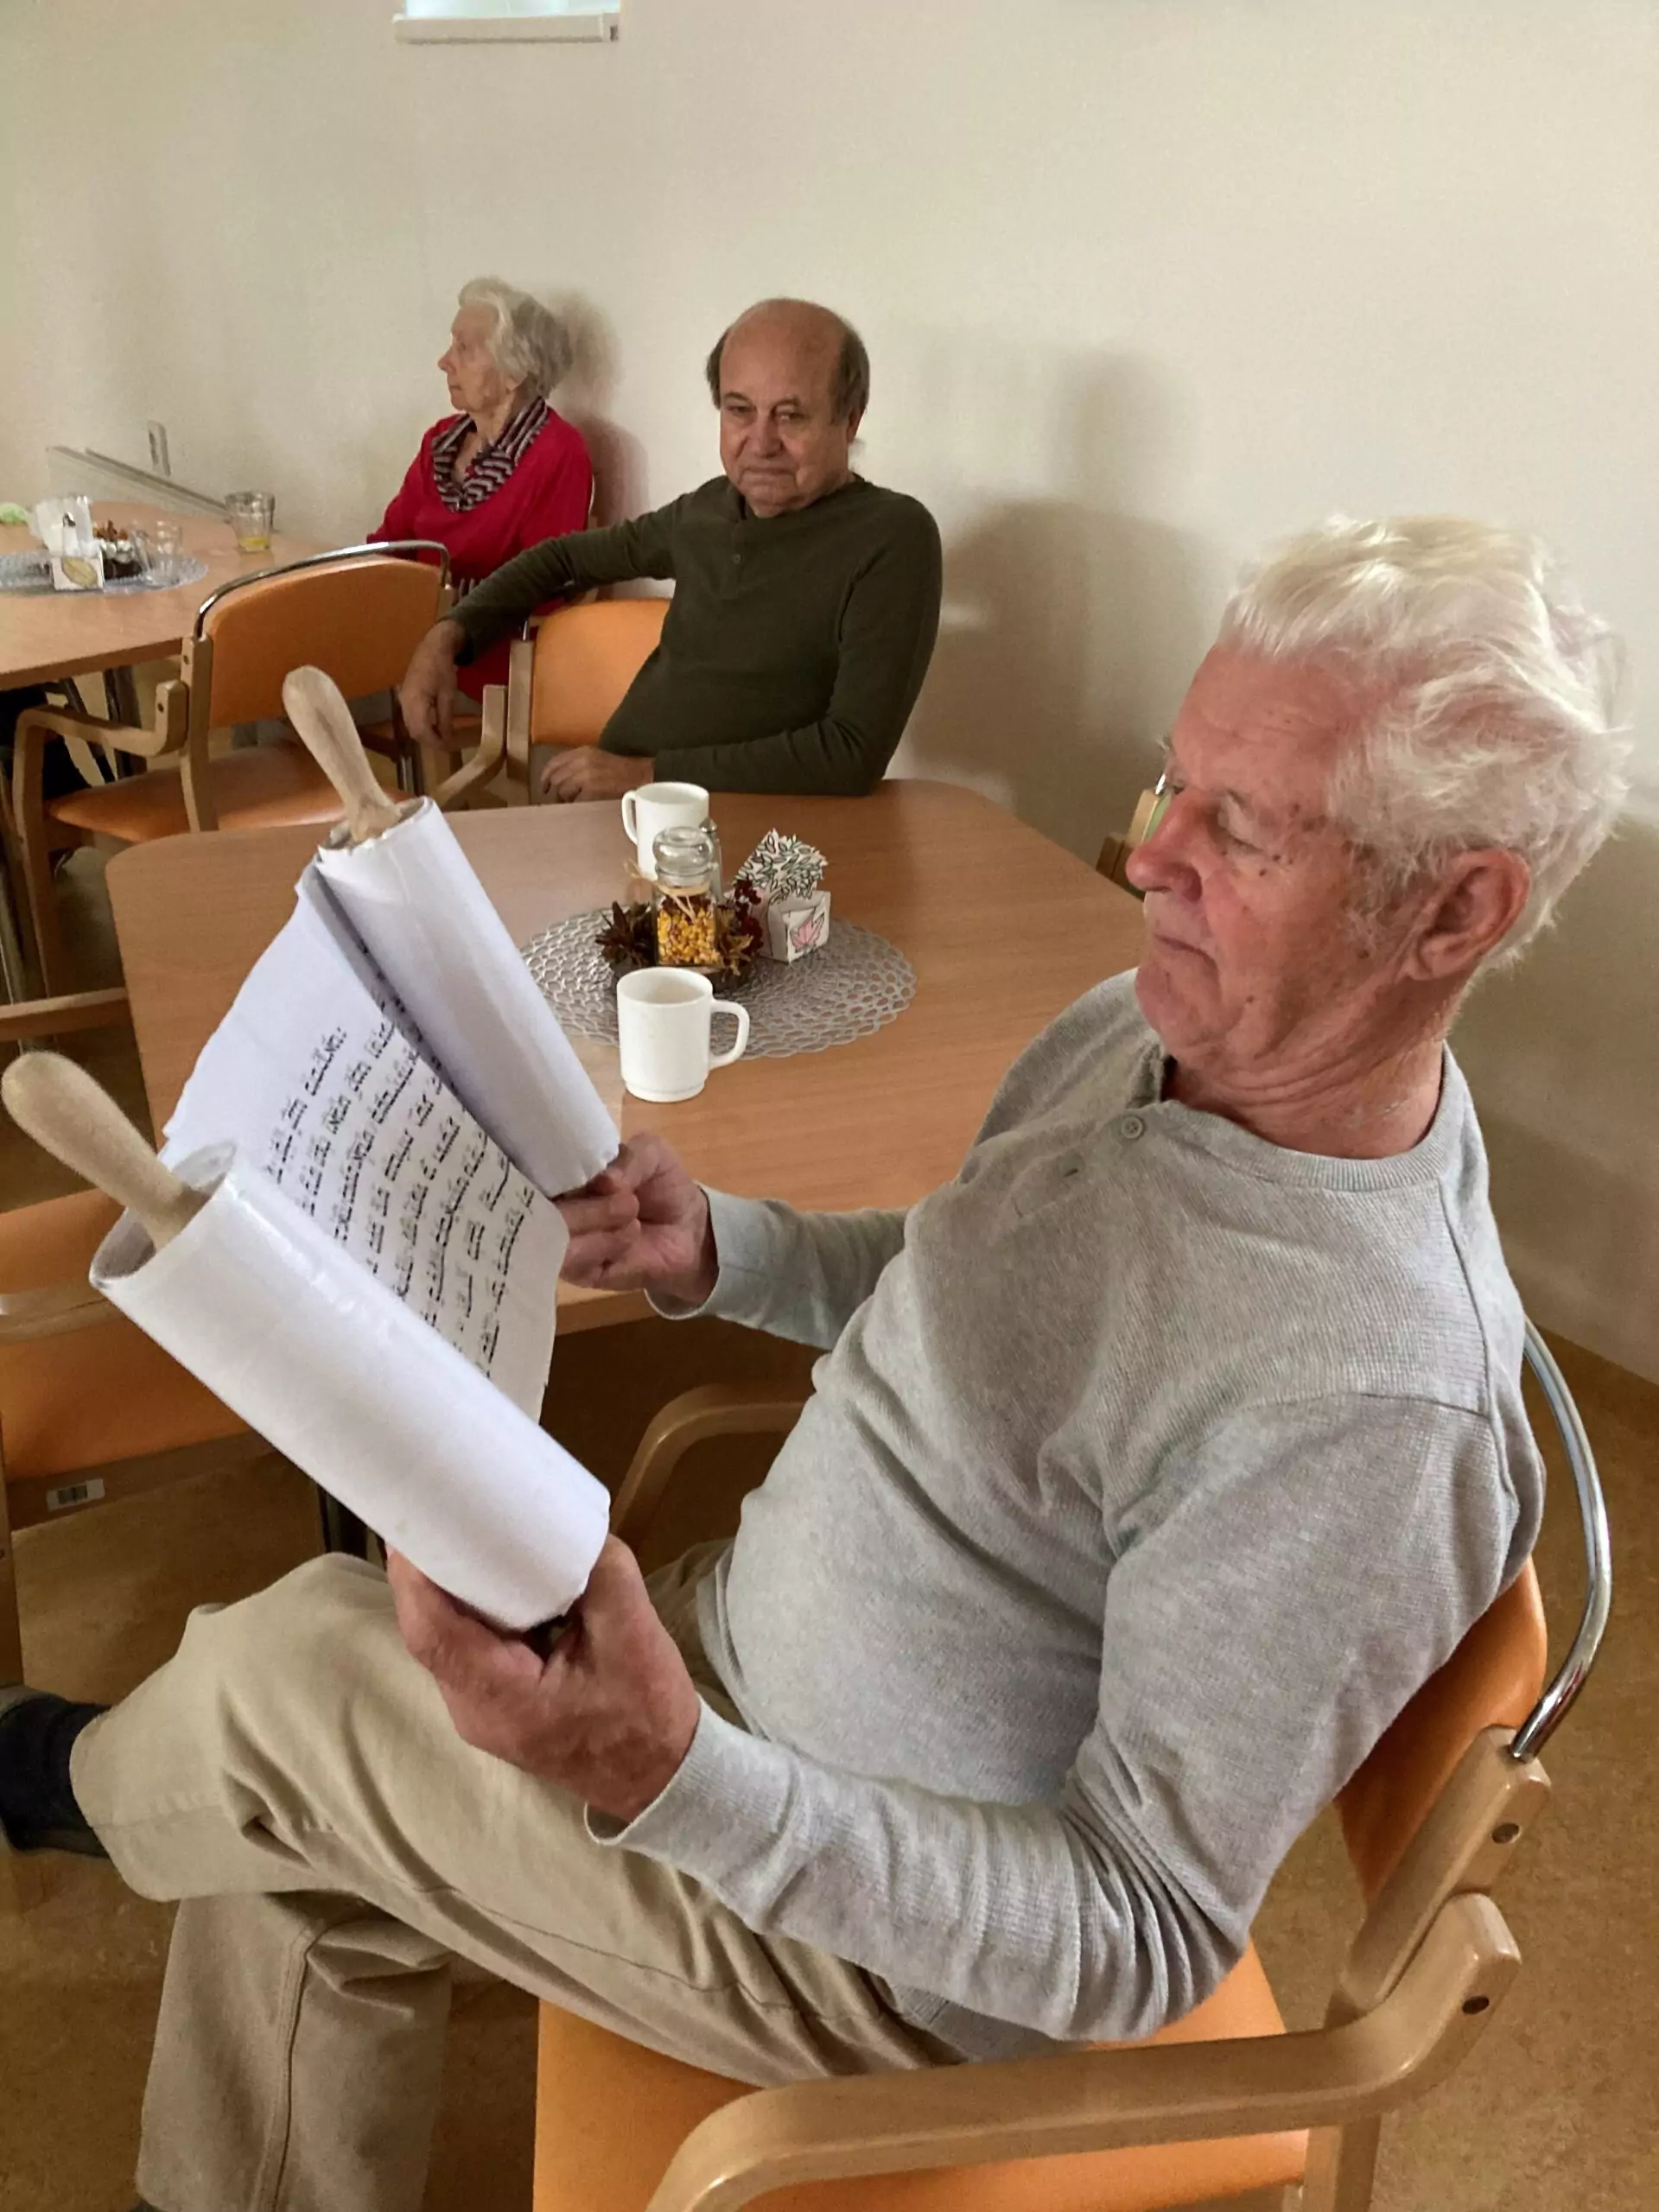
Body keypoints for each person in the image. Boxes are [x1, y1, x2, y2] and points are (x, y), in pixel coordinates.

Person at [0, 518, 1627, 2212]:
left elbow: (1137, 1931)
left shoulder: (1368, 1408)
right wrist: (730, 1248)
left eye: (1247, 826)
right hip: (737, 1663)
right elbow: (969, 1275)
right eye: (1176, 778)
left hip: (868, 1954)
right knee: (302, 1814)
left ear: (1454, 909)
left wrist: (674, 1776)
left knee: (285, 1673)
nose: (1154, 854)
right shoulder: (1160, 1027)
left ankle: (76, 1780)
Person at [397, 297, 943, 799]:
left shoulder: (890, 536)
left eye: (791, 415)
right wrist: (449, 635)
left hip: (734, 828)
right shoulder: (709, 509)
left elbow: (849, 753)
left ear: (850, 418)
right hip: (624, 810)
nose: (761, 443)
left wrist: (647, 776)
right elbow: (561, 559)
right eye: (739, 410)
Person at [371, 276, 594, 702]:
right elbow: (390, 544)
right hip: (414, 641)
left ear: (514, 373)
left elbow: (543, 586)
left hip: (489, 660)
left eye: (464, 349)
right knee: (300, 635)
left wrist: (441, 623)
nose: (444, 362)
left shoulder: (557, 453)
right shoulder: (440, 442)